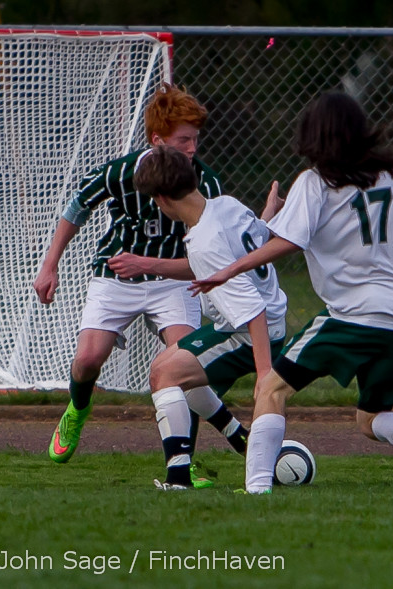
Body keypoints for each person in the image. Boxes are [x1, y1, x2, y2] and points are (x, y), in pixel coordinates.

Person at [190, 91, 393, 494]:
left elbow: (286, 243)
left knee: (271, 388)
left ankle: (256, 489)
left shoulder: (315, 182)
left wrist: (230, 269)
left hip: (351, 315)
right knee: (371, 418)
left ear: (314, 134)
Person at [33, 84, 257, 484]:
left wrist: (151, 264)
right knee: (87, 361)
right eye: (183, 140)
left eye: (195, 140)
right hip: (118, 273)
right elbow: (76, 208)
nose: (192, 148)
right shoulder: (122, 171)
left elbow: (207, 258)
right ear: (157, 141)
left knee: (183, 365)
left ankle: (182, 466)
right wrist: (50, 265)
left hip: (172, 279)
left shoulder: (206, 182)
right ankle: (77, 409)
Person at [131, 145, 287, 490]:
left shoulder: (204, 241)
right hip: (254, 322)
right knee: (165, 368)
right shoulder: (226, 205)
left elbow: (252, 311)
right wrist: (269, 214)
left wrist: (265, 376)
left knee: (165, 376)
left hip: (251, 334)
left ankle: (178, 480)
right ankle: (237, 437)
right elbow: (257, 241)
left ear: (162, 199)